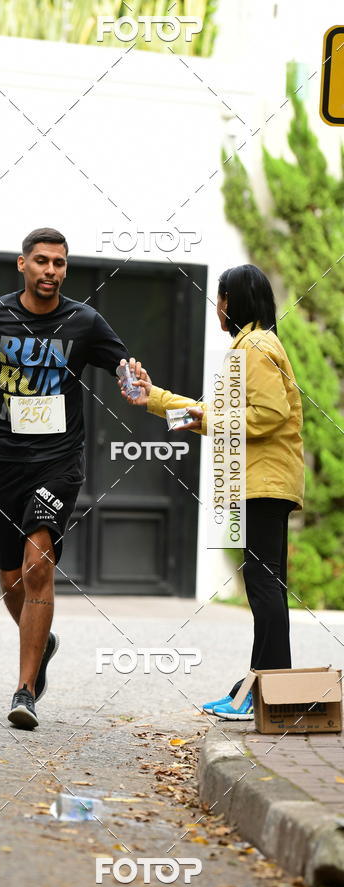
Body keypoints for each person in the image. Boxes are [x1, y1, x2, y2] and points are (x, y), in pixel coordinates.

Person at [0, 227, 129, 729]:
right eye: (42, 261)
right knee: (10, 577)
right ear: (22, 265)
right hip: (4, 461)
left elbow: (125, 369)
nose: (51, 271)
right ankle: (42, 641)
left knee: (38, 561)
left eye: (60, 263)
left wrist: (140, 386)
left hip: (59, 462)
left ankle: (24, 692)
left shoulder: (84, 321)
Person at [120, 264, 304, 720]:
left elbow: (267, 415)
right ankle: (261, 689)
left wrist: (206, 420)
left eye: (220, 298)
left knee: (264, 587)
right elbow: (221, 415)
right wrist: (156, 397)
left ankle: (266, 692)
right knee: (265, 586)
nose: (217, 308)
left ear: (233, 301)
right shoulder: (252, 345)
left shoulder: (256, 347)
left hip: (265, 484)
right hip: (262, 482)